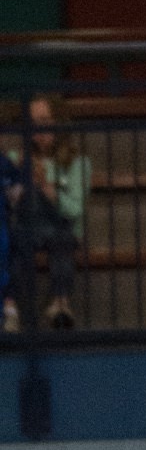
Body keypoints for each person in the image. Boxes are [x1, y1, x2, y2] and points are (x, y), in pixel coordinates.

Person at [2, 93, 87, 332]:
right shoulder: (16, 159)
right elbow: (9, 201)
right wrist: (18, 181)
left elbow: (75, 210)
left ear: (58, 122)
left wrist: (46, 186)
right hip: (27, 226)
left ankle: (61, 305)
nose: (37, 129)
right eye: (31, 122)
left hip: (59, 226)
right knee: (15, 244)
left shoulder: (77, 163)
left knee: (62, 241)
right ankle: (12, 310)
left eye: (44, 121)